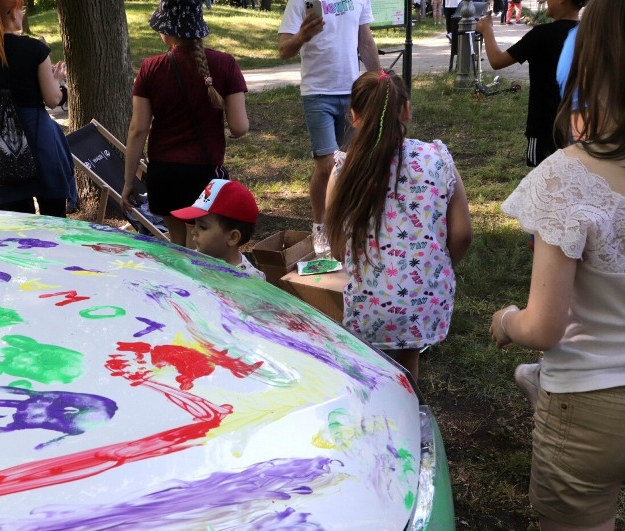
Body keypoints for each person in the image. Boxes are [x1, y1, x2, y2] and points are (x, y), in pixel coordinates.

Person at [490, 0, 625, 527]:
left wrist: (505, 321)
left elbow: (544, 326)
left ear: (585, 62)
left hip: (589, 408)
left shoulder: (565, 178)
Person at [324, 70, 472, 380]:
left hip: (368, 302)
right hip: (426, 297)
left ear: (353, 116)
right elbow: (462, 234)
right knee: (408, 360)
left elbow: (337, 245)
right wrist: (438, 265)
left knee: (371, 373)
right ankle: (412, 407)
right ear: (406, 110)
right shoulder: (437, 158)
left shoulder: (342, 171)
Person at [121, 0, 249, 247]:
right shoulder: (225, 64)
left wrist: (128, 182)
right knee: (199, 245)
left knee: (177, 243)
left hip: (164, 174)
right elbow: (239, 127)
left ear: (167, 32)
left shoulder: (150, 68)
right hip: (204, 174)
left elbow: (138, 129)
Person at [278, 0, 381, 257]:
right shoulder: (301, 1)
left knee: (352, 163)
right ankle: (321, 227)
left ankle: (350, 224)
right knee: (327, 165)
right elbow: (283, 49)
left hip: (352, 93)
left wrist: (380, 81)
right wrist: (303, 35)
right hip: (317, 93)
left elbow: (365, 41)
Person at [0, 0, 76, 217]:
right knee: (54, 223)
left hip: (3, 150)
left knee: (17, 230)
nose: (22, 13)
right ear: (12, 13)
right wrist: (56, 82)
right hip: (41, 143)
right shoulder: (35, 49)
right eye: (21, 8)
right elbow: (53, 100)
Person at [476, 0, 581, 167]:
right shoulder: (590, 34)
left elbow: (497, 61)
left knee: (542, 180)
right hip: (581, 126)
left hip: (544, 127)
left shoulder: (541, 34)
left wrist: (487, 30)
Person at [171, 178, 265, 280]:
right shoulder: (194, 258)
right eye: (195, 224)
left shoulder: (250, 282)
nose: (193, 231)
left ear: (233, 237)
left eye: (202, 227)